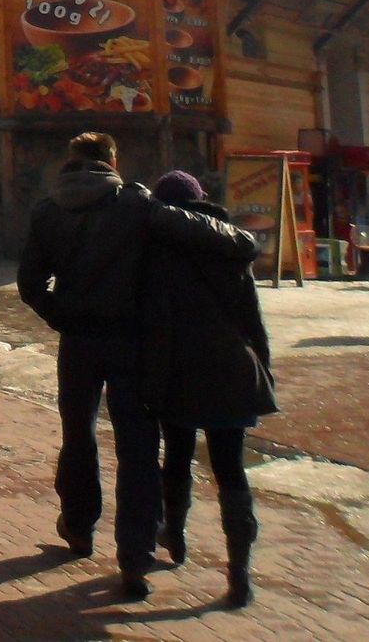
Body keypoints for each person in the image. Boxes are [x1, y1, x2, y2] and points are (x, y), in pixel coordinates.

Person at [16, 132, 258, 597]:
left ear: (73, 161)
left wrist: (61, 315)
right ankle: (135, 556)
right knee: (137, 448)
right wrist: (242, 240)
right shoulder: (135, 204)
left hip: (78, 343)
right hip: (130, 341)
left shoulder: (48, 212)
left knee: (78, 435)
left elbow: (30, 284)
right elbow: (202, 232)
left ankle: (79, 525)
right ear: (112, 161)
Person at [144, 170, 275, 608]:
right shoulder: (232, 243)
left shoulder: (159, 247)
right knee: (230, 469)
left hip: (179, 369)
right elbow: (252, 318)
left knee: (177, 456)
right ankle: (239, 571)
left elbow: (153, 319)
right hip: (230, 369)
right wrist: (262, 370)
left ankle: (175, 535)